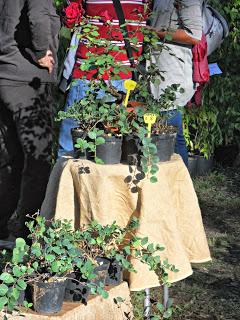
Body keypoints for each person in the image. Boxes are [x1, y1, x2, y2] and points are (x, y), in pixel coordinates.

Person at [0, 0, 60, 244]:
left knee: (9, 156)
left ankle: (3, 225)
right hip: (27, 78)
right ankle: (27, 230)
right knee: (38, 159)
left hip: (6, 74)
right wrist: (41, 52)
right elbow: (38, 15)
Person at [58, 0, 150, 156]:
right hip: (125, 76)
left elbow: (70, 19)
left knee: (70, 147)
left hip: (89, 75)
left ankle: (67, 179)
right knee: (115, 151)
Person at [149, 0, 203, 166]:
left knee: (171, 133)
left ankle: (181, 186)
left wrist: (155, 32)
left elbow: (194, 35)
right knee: (162, 131)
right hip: (158, 70)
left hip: (172, 72)